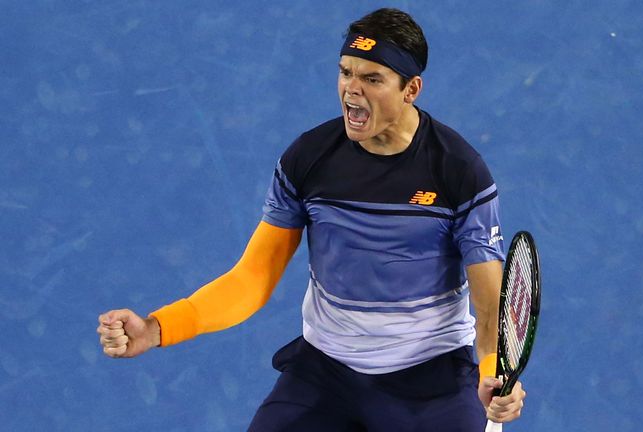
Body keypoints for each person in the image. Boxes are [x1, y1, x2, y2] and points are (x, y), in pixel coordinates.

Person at [97, 8, 526, 431]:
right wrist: (157, 328)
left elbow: (490, 307)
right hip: (326, 374)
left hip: (430, 379)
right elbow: (251, 279)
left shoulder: (458, 171)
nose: (352, 90)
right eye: (346, 73)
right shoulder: (309, 158)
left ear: (411, 89)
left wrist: (491, 370)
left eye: (372, 78)